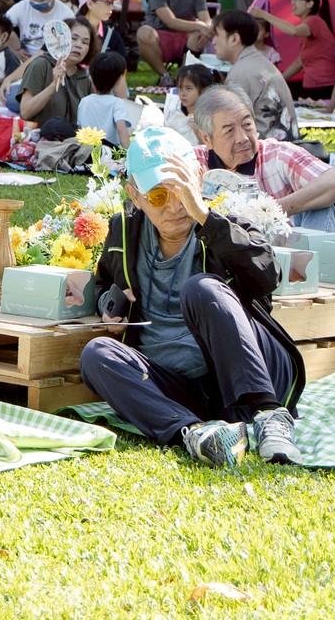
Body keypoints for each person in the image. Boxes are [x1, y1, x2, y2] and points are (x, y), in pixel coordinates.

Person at [76, 125, 305, 467]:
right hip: (183, 388)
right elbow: (104, 283)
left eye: (180, 190)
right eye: (157, 196)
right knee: (96, 354)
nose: (173, 206)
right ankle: (196, 434)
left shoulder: (226, 223)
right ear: (135, 195)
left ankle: (269, 417)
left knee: (202, 289)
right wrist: (109, 307)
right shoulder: (125, 230)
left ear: (198, 178)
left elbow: (266, 275)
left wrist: (203, 215)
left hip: (247, 375)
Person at [194, 84, 335, 229]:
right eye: (229, 131)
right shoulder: (193, 162)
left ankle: (320, 258)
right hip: (216, 252)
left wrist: (267, 210)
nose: (243, 138)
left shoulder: (277, 154)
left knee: (324, 205)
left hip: (285, 249)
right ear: (207, 138)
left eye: (247, 125)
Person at [209, 10, 295, 141]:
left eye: (217, 35)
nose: (213, 41)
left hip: (266, 152)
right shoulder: (259, 62)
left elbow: (228, 125)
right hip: (284, 146)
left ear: (234, 39)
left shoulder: (241, 72)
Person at [267, 0, 335, 99]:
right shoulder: (309, 25)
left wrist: (265, 15)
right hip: (313, 86)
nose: (293, 3)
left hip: (323, 87)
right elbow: (299, 62)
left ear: (310, 4)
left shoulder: (314, 21)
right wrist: (278, 80)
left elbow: (293, 31)